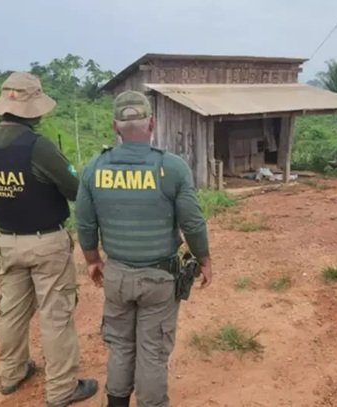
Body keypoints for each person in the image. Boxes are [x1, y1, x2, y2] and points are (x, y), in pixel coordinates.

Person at [75, 90, 212, 407]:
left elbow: (84, 223)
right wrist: (204, 259)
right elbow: (192, 223)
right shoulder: (172, 167)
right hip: (159, 279)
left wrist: (92, 260)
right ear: (152, 123)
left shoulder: (94, 167)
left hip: (117, 275)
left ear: (115, 126)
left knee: (121, 346)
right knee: (152, 351)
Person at [0, 72, 98, 407]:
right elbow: (75, 189)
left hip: (7, 241)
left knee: (11, 311)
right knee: (55, 315)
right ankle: (61, 389)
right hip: (45, 243)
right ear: (33, 110)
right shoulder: (37, 146)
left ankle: (11, 374)